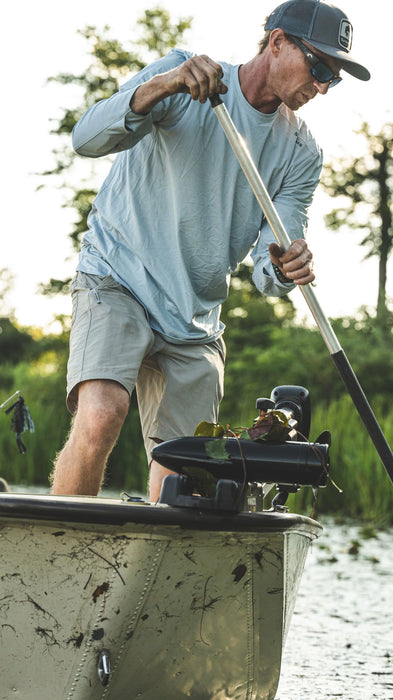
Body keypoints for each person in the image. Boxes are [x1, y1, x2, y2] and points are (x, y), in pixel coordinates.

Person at [50, 0, 370, 501]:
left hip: (196, 315)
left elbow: (271, 262)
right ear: (278, 42)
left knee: (183, 469)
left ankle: (152, 576)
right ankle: (62, 556)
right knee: (101, 417)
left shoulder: (302, 151)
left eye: (336, 77)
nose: (324, 85)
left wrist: (285, 264)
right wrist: (164, 84)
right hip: (117, 277)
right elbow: (85, 139)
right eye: (320, 66)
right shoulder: (187, 75)